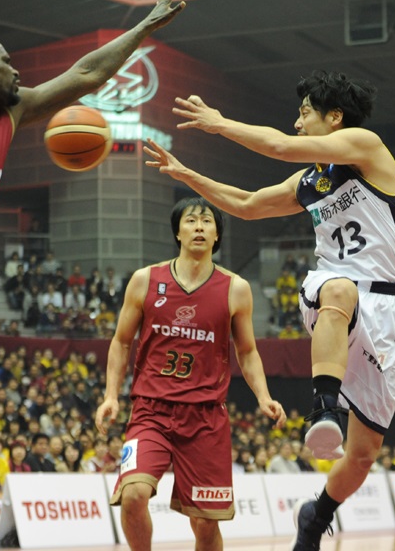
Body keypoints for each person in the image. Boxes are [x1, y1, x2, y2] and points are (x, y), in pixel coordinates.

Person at [143, 70, 395, 551]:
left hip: (393, 308)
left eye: (305, 113)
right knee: (338, 289)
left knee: (363, 455)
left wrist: (219, 123)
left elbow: (281, 147)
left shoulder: (367, 148)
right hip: (335, 291)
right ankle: (323, 410)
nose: (297, 122)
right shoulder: (310, 180)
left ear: (335, 117)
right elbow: (247, 204)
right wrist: (187, 176)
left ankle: (316, 515)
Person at [95, 197, 286, 551]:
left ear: (217, 235)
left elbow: (246, 351)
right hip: (150, 410)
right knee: (133, 495)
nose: (199, 226)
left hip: (205, 417)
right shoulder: (144, 280)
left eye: (207, 221)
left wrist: (264, 396)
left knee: (205, 524)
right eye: (191, 220)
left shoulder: (236, 288)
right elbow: (121, 342)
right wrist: (110, 396)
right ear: (177, 232)